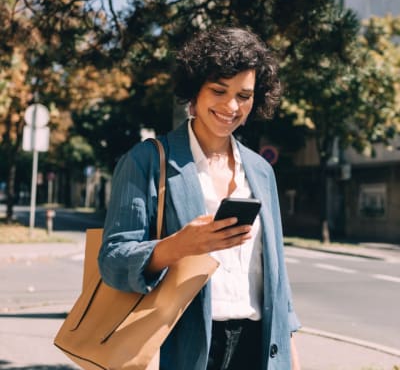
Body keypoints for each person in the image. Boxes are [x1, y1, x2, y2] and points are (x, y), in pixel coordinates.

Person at [98, 26, 301, 370]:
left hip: (257, 345)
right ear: (195, 92)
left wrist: (290, 357)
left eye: (244, 95)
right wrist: (178, 245)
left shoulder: (261, 171)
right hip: (184, 347)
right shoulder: (146, 161)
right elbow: (113, 261)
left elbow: (276, 276)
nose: (231, 105)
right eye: (219, 90)